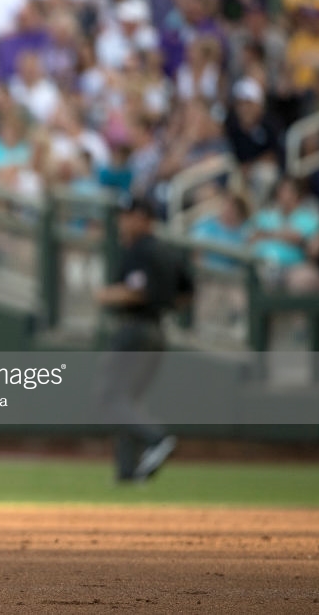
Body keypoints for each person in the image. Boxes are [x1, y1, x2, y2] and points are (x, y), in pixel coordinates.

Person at [95, 195, 193, 483]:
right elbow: (186, 291)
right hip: (157, 331)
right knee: (128, 400)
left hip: (135, 329)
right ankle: (128, 472)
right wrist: (165, 304)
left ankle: (156, 439)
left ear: (142, 218)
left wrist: (105, 295)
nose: (122, 222)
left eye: (127, 215)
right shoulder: (166, 251)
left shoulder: (141, 250)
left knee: (110, 397)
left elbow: (136, 291)